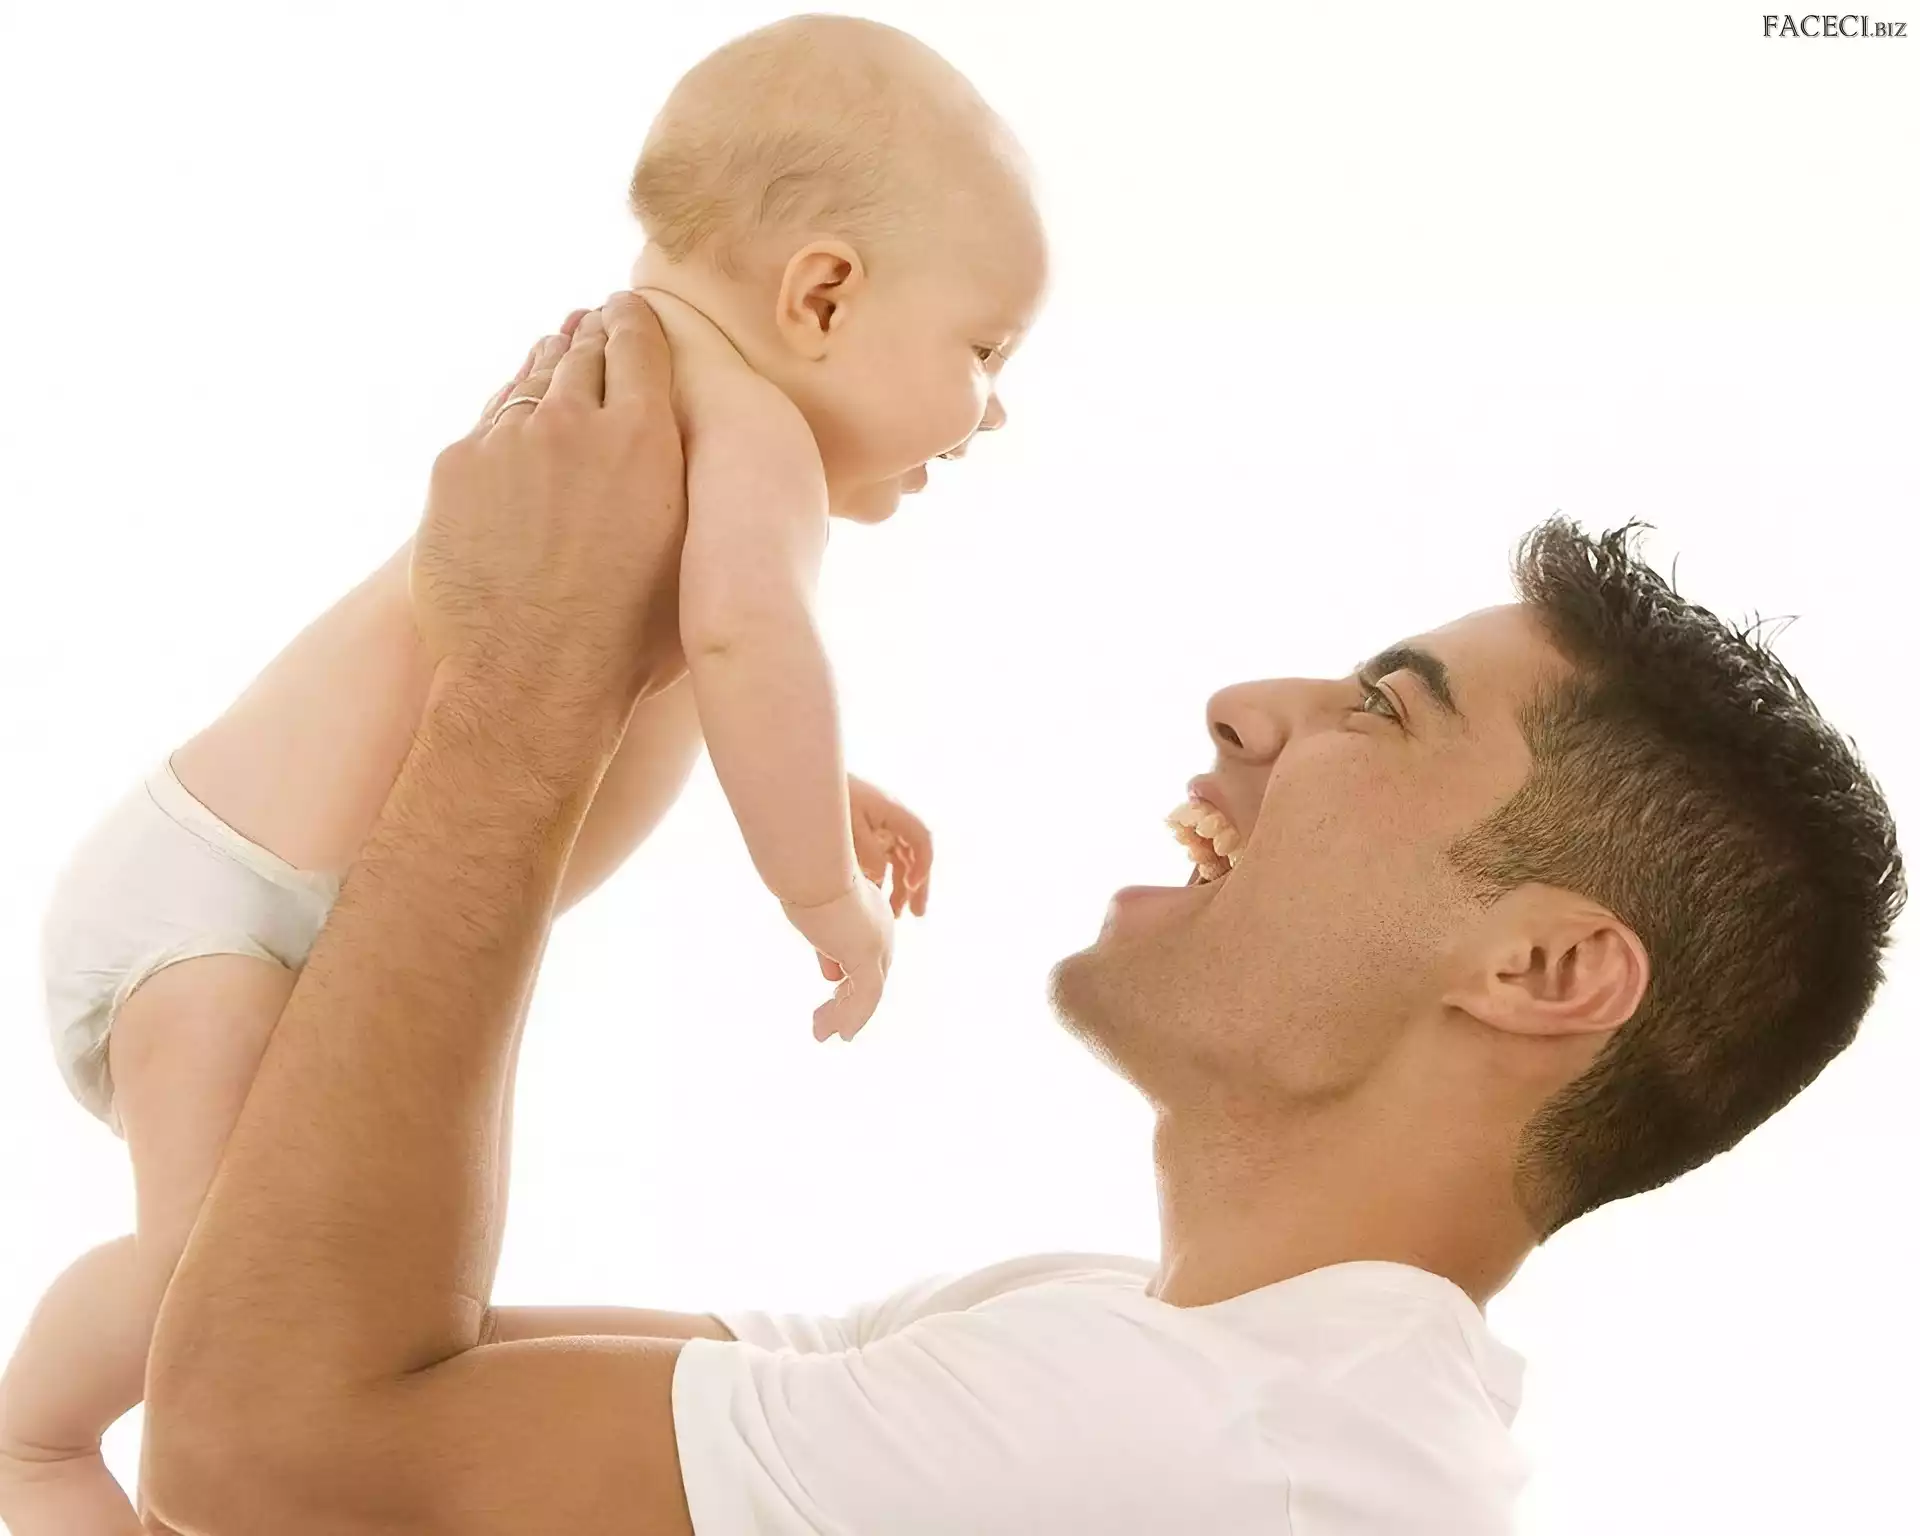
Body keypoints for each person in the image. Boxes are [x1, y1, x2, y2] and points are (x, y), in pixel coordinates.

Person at [129, 292, 1901, 1534]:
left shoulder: (1189, 1443)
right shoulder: (1129, 1347)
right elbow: (327, 1356)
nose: (1249, 707)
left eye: (1386, 709)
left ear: (1544, 968)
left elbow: (267, 1451)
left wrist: (532, 678)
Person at [0, 17, 1046, 1534]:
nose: (995, 407)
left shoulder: (647, 383)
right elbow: (750, 642)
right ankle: (30, 1444)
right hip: (229, 912)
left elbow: (692, 663)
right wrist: (823, 894)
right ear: (821, 294)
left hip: (237, 892)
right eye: (985, 352)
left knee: (294, 1289)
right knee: (226, 1279)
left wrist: (827, 783)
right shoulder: (750, 429)